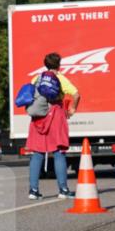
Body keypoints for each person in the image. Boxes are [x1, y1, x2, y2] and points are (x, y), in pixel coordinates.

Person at [26, 52, 80, 199]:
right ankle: (63, 190)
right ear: (58, 65)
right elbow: (76, 94)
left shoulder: (36, 78)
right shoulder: (60, 78)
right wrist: (72, 108)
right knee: (58, 152)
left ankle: (33, 191)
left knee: (37, 153)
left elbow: (30, 95)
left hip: (38, 117)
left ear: (46, 64)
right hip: (55, 115)